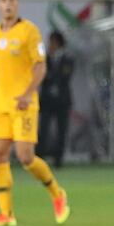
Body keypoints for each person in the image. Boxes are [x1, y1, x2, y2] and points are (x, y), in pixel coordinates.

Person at [0, 0, 70, 226]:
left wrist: (27, 94)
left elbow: (40, 67)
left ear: (17, 4)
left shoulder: (29, 31)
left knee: (25, 157)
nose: (7, 4)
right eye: (3, 0)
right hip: (0, 103)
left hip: (24, 102)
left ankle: (56, 193)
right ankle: (6, 214)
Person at [38, 31, 74, 168]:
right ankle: (40, 158)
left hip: (62, 101)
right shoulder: (45, 58)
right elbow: (41, 75)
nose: (51, 45)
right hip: (47, 100)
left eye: (53, 42)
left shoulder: (67, 58)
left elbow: (65, 76)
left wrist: (51, 75)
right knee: (43, 130)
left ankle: (58, 159)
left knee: (61, 131)